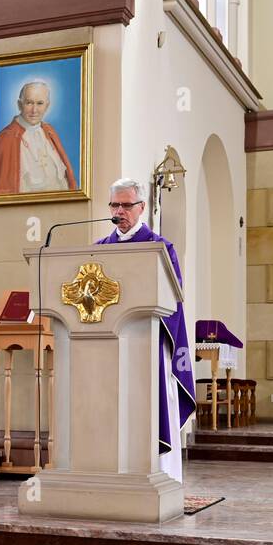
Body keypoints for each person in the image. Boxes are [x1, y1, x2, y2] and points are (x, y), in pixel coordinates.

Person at [95, 178, 196, 482]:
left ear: (141, 208)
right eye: (115, 205)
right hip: (111, 345)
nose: (120, 211)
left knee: (151, 409)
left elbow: (173, 300)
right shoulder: (99, 250)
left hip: (150, 344)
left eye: (127, 205)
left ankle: (159, 476)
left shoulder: (160, 249)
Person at [0, 80, 77, 195]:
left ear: (47, 106)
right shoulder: (5, 139)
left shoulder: (49, 131)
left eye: (40, 103)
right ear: (19, 105)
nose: (34, 110)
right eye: (29, 103)